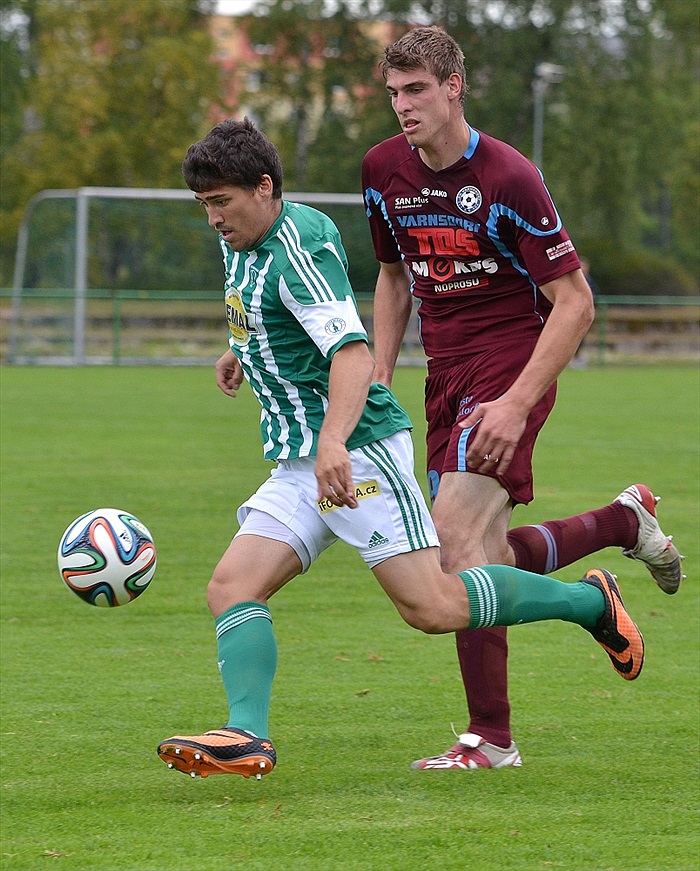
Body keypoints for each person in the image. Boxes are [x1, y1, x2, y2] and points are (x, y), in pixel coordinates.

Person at [156, 118, 647, 781]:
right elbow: (273, 308)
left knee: (434, 606)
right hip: (302, 460)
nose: (213, 217)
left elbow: (353, 355)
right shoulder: (244, 238)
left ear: (264, 188)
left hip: (354, 451)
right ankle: (247, 734)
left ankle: (590, 602)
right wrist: (248, 348)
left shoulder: (300, 244)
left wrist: (334, 439)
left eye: (221, 202)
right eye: (204, 205)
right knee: (231, 585)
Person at [362, 26, 683, 771]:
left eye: (416, 90)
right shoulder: (382, 169)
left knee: (450, 552)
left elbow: (575, 302)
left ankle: (492, 737)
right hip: (441, 375)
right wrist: (380, 368)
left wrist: (513, 403)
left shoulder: (508, 176)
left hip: (508, 366)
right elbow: (392, 277)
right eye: (393, 92)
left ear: (453, 88)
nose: (403, 106)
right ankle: (617, 522)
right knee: (490, 556)